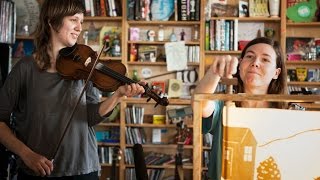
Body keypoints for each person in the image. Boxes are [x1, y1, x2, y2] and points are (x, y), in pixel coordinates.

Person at [0, 0, 145, 179]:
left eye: (81, 22)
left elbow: (90, 116)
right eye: (74, 20)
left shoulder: (85, 67)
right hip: (37, 170)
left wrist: (117, 95)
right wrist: (27, 154)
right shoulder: (25, 68)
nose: (79, 27)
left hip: (83, 168)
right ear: (52, 21)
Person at [192, 37, 287, 180]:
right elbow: (200, 104)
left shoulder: (287, 114)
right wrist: (215, 70)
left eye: (265, 60)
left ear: (276, 73)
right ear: (240, 64)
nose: (255, 63)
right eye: (249, 56)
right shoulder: (225, 105)